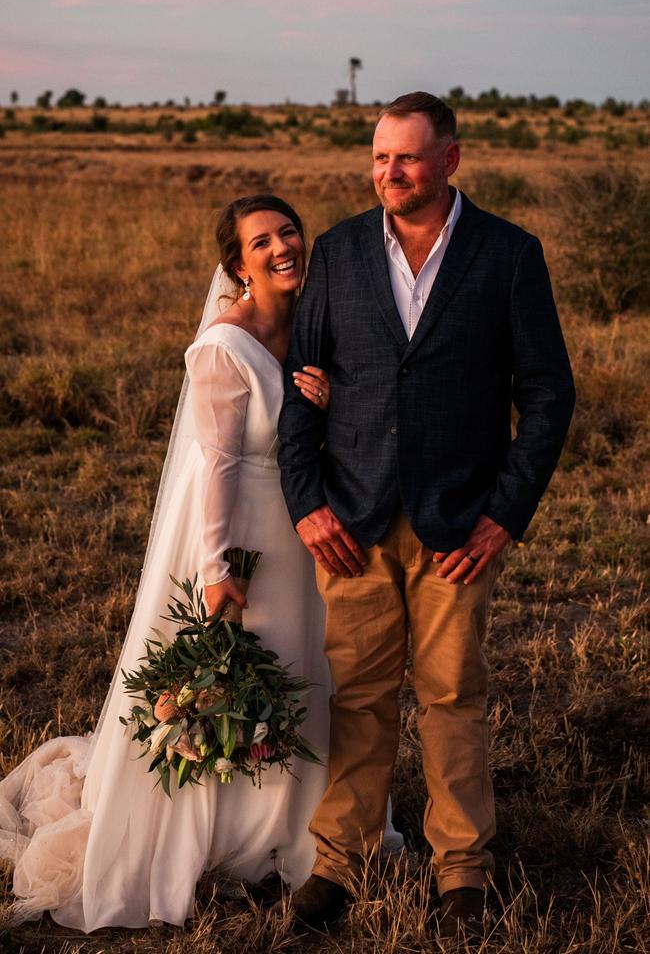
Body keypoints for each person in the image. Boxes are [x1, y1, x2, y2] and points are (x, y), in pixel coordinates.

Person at [0, 194, 402, 932]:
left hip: (299, 525)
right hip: (239, 527)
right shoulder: (225, 343)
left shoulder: (312, 321)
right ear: (237, 265)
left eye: (288, 232)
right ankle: (214, 831)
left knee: (300, 666)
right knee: (231, 673)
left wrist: (332, 399)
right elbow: (214, 466)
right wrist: (218, 568)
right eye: (262, 242)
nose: (283, 247)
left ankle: (291, 826)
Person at [277, 92, 576, 940]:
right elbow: (301, 387)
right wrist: (307, 505)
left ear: (450, 159)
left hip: (460, 526)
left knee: (453, 697)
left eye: (406, 158)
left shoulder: (509, 254)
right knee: (359, 697)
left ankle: (462, 871)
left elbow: (549, 396)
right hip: (353, 518)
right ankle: (340, 861)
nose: (389, 173)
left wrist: (504, 517)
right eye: (379, 157)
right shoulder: (335, 254)